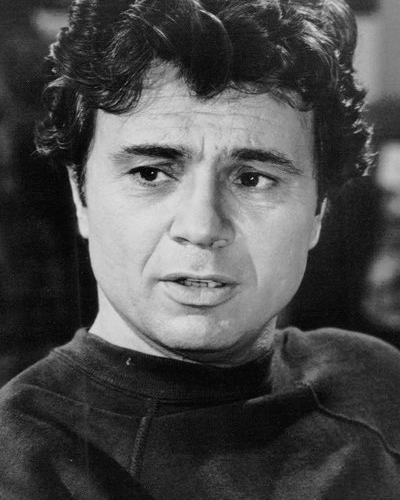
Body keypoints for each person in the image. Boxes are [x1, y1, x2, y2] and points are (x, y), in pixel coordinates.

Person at [0, 0, 400, 498]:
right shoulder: (24, 461)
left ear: (318, 209)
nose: (202, 227)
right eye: (151, 173)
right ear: (81, 195)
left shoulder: (376, 383)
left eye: (253, 179)